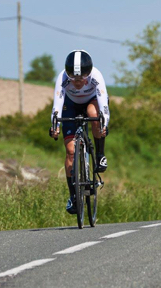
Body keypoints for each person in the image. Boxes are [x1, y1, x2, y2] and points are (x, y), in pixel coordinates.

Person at [49, 50, 110, 215]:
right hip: (71, 104)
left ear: (88, 74)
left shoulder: (96, 76)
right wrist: (55, 126)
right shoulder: (62, 78)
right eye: (73, 78)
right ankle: (74, 197)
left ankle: (100, 155)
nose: (77, 82)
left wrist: (104, 122)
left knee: (94, 115)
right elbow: (57, 105)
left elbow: (103, 105)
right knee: (70, 151)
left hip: (92, 101)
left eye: (81, 78)